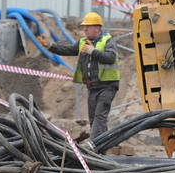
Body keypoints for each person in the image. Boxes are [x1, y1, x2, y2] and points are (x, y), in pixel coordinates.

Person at [40, 12, 120, 143]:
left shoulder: (107, 40)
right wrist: (50, 46)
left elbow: (111, 58)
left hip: (107, 86)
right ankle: (104, 145)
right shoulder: (83, 42)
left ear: (97, 28)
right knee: (94, 118)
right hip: (93, 86)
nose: (85, 29)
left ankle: (94, 146)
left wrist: (92, 51)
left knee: (100, 116)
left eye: (88, 26)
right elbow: (68, 50)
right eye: (85, 26)